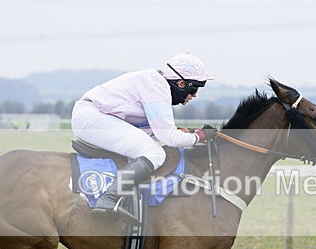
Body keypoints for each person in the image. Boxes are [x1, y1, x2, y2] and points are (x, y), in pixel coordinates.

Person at [71, 52, 216, 219]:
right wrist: (201, 136)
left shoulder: (155, 83)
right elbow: (169, 138)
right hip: (92, 118)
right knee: (155, 154)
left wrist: (188, 132)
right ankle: (109, 198)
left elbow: (154, 131)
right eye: (194, 89)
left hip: (94, 117)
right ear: (181, 83)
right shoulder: (157, 87)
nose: (195, 95)